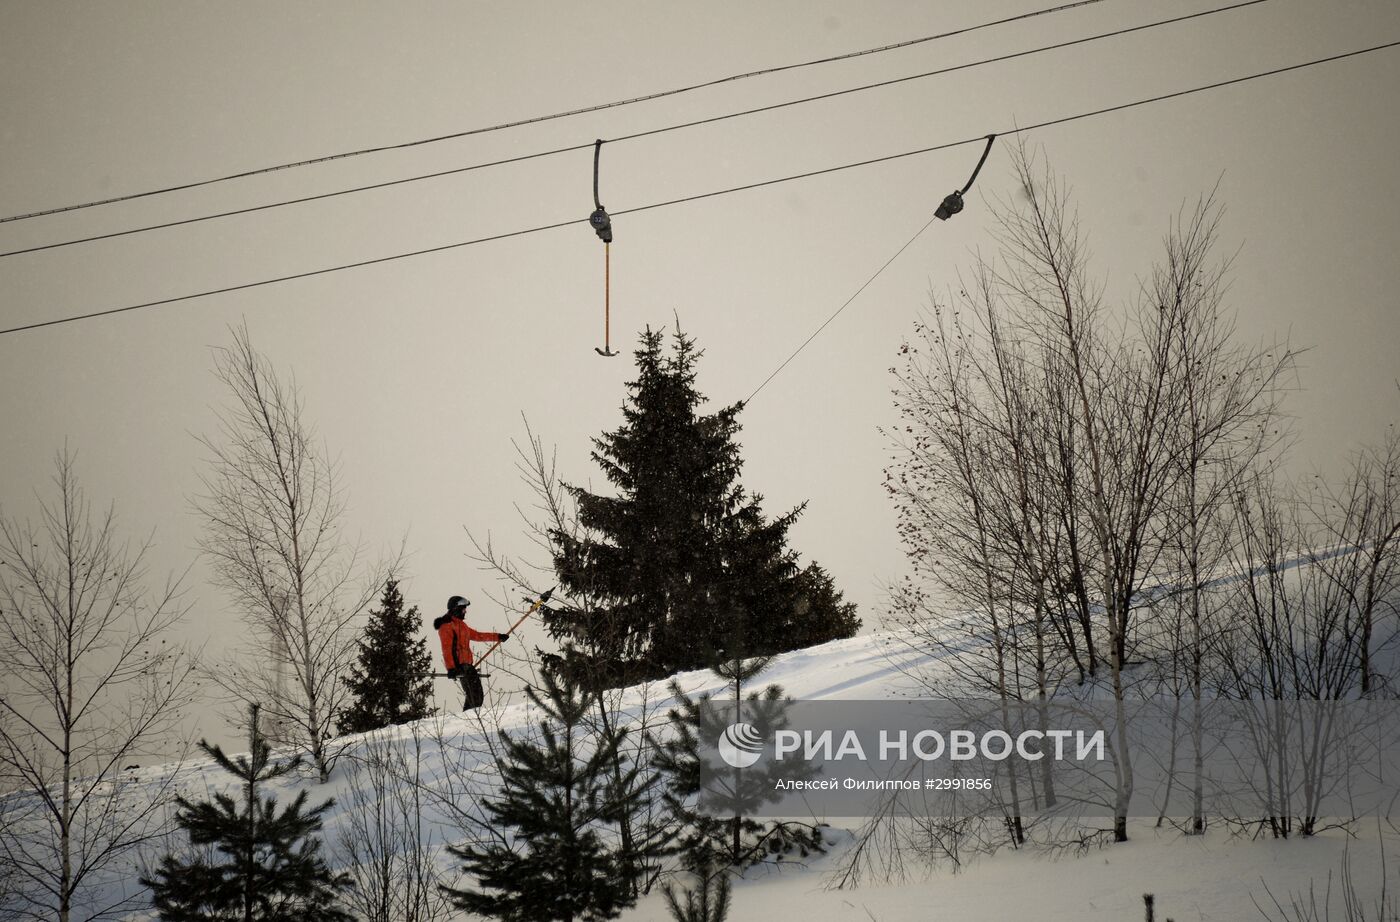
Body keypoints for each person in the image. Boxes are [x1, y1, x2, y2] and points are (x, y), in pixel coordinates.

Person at [432, 595, 511, 711]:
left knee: (476, 696)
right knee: (475, 696)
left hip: (468, 666)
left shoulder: (461, 625)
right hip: (460, 667)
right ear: (456, 609)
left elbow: (478, 636)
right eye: (463, 609)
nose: (465, 611)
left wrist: (498, 637)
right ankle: (468, 717)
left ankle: (470, 716)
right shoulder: (446, 626)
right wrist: (451, 668)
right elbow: (447, 648)